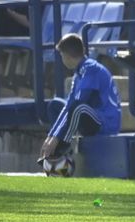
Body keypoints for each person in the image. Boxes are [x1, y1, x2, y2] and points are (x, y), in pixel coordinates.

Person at [37, 33, 121, 175]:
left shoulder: (91, 69)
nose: (61, 59)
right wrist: (51, 136)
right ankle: (55, 157)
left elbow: (78, 104)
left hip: (105, 123)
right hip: (91, 117)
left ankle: (60, 151)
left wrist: (57, 139)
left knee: (78, 107)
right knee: (55, 105)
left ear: (68, 56)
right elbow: (68, 106)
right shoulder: (80, 72)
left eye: (62, 55)